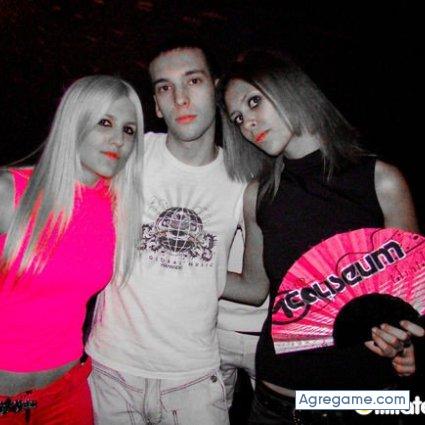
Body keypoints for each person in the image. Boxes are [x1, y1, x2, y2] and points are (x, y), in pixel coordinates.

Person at [219, 50, 424, 424]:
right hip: (277, 401)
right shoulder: (259, 196)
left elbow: (409, 300)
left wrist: (407, 344)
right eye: (238, 118)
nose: (248, 123)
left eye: (254, 102)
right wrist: (181, 269)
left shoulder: (381, 181)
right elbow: (254, 287)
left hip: (361, 403)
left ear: (289, 88)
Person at [85, 36, 269, 425]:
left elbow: (255, 288)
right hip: (111, 369)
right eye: (165, 88)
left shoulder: (245, 180)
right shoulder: (129, 154)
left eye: (193, 81)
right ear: (155, 104)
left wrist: (197, 270)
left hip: (194, 378)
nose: (180, 99)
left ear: (216, 90)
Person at [0, 75, 145, 424]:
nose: (118, 140)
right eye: (105, 123)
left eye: (128, 130)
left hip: (66, 395)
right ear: (74, 122)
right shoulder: (9, 191)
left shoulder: (118, 208)